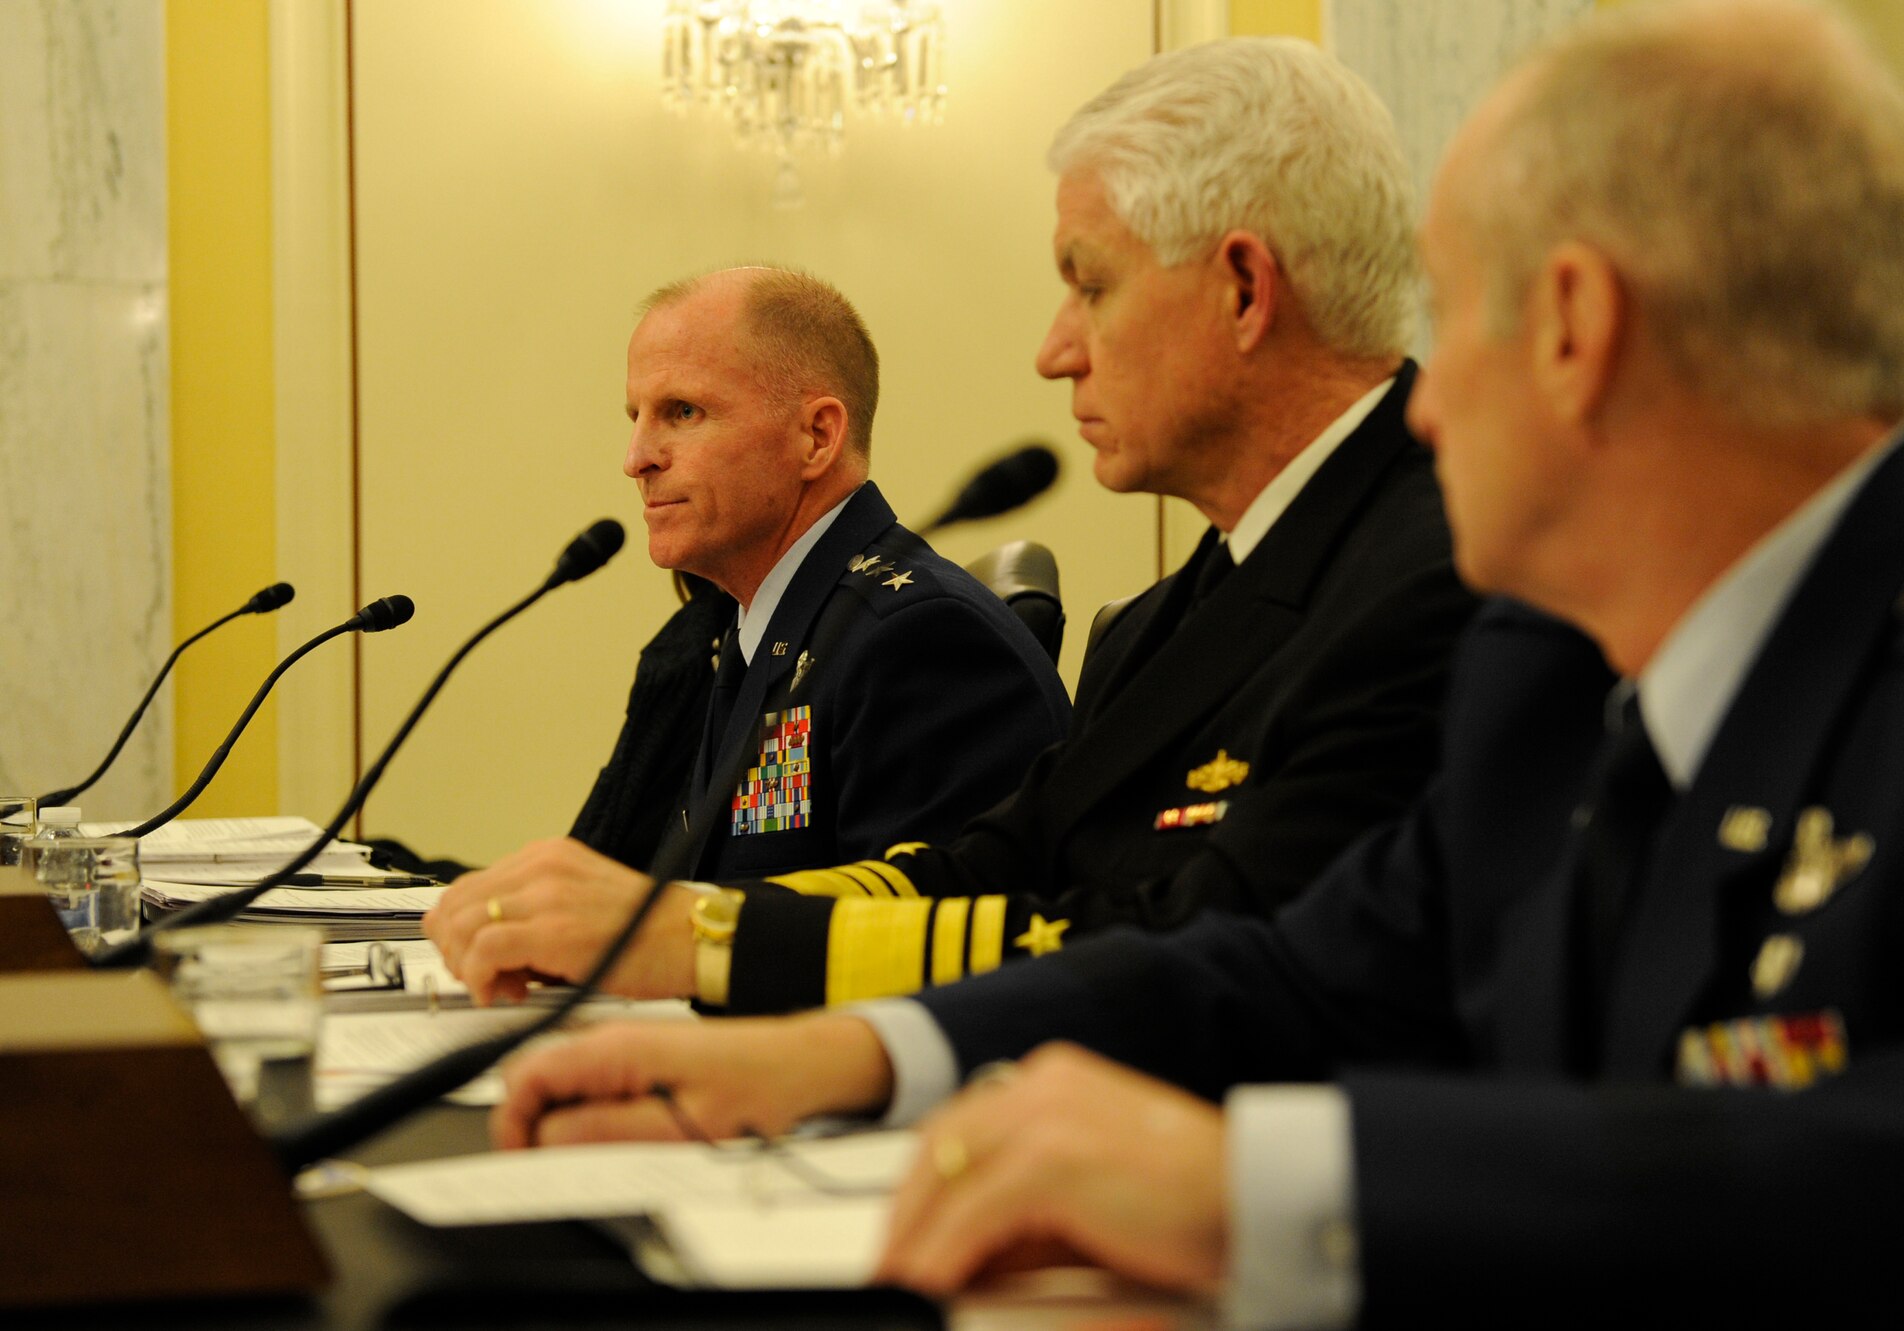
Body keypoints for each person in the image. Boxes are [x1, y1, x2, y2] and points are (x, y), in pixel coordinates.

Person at [490, 1, 1904, 1322]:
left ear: (1570, 328)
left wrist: (1270, 1186)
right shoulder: (1559, 675)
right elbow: (1301, 969)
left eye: (1447, 312)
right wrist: (853, 1054)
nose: (1419, 406)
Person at [427, 38, 1476, 1012]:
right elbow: (999, 865)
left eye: (1090, 285)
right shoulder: (1164, 618)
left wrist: (709, 943)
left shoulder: (1443, 575)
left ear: (1243, 288)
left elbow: (1202, 951)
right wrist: (681, 917)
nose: (1054, 350)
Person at [426, 268, 1071, 1001]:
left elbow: (933, 974)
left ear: (816, 436)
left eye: (682, 412)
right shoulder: (757, 628)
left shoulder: (921, 638)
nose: (636, 458)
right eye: (635, 415)